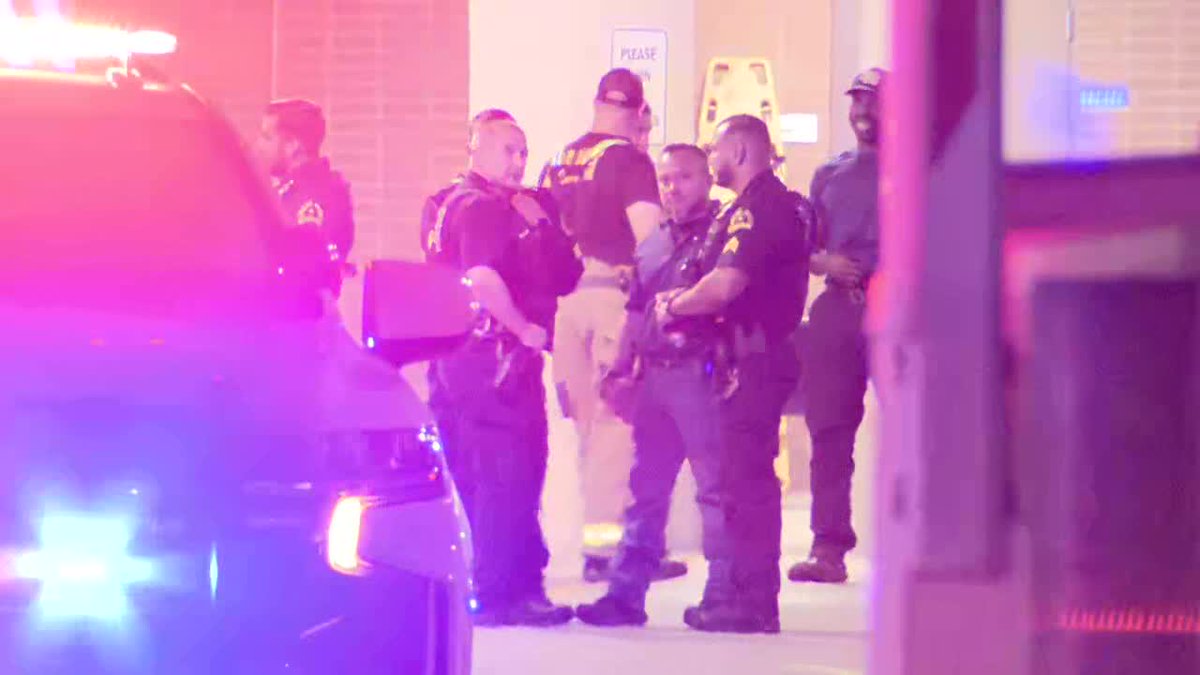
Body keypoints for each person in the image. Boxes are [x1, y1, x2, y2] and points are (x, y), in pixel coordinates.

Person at [424, 115, 583, 626]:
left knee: (481, 476)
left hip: (453, 363)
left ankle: (496, 586)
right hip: (496, 364)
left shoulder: (442, 203)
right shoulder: (485, 209)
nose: (519, 162)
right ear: (478, 150)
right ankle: (506, 593)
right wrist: (524, 329)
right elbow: (482, 277)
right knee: (510, 476)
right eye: (509, 151)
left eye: (523, 151)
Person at [655, 115, 812, 633]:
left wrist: (677, 304)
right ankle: (748, 597)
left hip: (755, 360)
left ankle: (752, 603)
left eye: (715, 148)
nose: (710, 155)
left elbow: (724, 285)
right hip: (751, 358)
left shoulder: (758, 208)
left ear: (740, 151)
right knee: (745, 483)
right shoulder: (773, 204)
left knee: (747, 487)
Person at [539, 68, 682, 582]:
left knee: (586, 431)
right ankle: (610, 553)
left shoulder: (557, 162)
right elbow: (651, 241)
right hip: (610, 301)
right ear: (637, 111)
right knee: (616, 430)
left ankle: (598, 543)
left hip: (565, 307)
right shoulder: (626, 159)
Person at [575, 144, 727, 627]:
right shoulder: (654, 242)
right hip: (655, 380)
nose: (671, 187)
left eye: (682, 177)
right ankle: (625, 596)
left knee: (715, 491)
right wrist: (620, 367)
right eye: (664, 179)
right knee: (645, 490)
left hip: (701, 376)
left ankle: (723, 595)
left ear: (705, 180)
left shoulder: (724, 234)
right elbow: (637, 311)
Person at [788, 68, 886, 585]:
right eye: (858, 102)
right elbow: (806, 248)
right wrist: (825, 264)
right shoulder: (829, 173)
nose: (864, 112)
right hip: (837, 310)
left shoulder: (923, 167)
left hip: (900, 312)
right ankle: (828, 548)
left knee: (916, 430)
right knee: (828, 432)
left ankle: (919, 544)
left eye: (875, 102)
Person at [256, 99, 355, 293]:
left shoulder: (318, 197)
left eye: (267, 137)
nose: (258, 145)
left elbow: (304, 270)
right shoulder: (289, 192)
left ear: (293, 145)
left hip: (298, 318)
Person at [421, 108, 518, 259]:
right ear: (471, 148)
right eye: (508, 150)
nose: (517, 162)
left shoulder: (521, 200)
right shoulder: (442, 201)